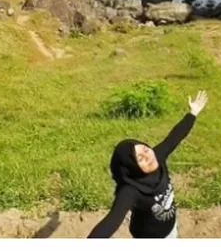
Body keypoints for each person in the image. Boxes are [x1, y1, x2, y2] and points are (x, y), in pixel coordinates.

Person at [87, 90, 208, 239]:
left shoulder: (158, 156)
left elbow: (175, 136)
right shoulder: (130, 190)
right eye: (140, 158)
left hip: (170, 230)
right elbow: (111, 222)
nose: (148, 156)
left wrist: (193, 113)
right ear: (132, 168)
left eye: (145, 149)